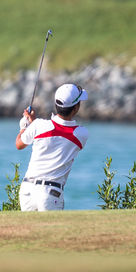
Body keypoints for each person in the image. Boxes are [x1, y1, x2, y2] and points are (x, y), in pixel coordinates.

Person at [15, 83, 89, 211]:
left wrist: (24, 126)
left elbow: (19, 144)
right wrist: (33, 124)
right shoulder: (81, 134)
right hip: (50, 194)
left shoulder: (38, 125)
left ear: (56, 105)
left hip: (27, 191)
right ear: (76, 107)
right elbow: (58, 134)